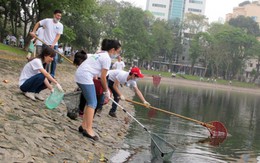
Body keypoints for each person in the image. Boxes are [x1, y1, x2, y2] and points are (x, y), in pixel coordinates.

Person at [75, 39, 121, 141]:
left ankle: (83, 126)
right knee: (93, 102)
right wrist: (106, 91)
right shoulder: (106, 58)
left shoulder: (100, 53)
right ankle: (89, 129)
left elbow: (99, 74)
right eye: (118, 51)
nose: (117, 54)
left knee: (89, 101)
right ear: (113, 50)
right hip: (84, 76)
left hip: (80, 75)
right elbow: (103, 78)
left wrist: (105, 91)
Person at [30, 9, 64, 77]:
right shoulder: (47, 21)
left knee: (55, 59)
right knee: (44, 60)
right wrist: (33, 32)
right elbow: (38, 23)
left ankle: (52, 74)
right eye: (58, 15)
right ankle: (42, 73)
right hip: (45, 44)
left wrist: (53, 44)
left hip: (54, 45)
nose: (59, 17)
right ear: (54, 15)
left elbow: (58, 35)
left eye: (60, 16)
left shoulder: (60, 25)